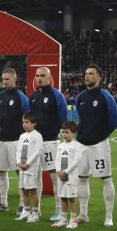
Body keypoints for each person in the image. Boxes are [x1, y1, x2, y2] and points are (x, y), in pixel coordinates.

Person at [74, 64, 117, 226]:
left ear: (99, 77)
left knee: (106, 179)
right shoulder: (80, 98)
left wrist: (101, 136)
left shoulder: (106, 97)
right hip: (82, 144)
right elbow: (82, 119)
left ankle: (109, 216)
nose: (87, 76)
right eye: (86, 74)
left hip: (99, 144)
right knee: (81, 179)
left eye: (91, 74)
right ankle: (83, 214)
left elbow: (114, 121)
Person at [28, 67, 69, 221]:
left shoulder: (56, 95)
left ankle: (59, 210)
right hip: (35, 142)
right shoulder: (32, 97)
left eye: (43, 76)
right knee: (35, 176)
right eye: (37, 76)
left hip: (51, 142)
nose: (39, 78)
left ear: (49, 77)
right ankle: (36, 210)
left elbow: (63, 119)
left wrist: (62, 136)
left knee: (54, 176)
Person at [0, 68, 30, 213]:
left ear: (15, 79)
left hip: (16, 140)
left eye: (8, 79)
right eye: (3, 79)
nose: (5, 82)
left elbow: (27, 118)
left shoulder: (21, 97)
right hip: (1, 140)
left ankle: (23, 203)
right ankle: (3, 202)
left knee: (20, 171)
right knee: (1, 172)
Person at [53, 121, 83, 229]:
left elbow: (76, 161)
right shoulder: (60, 145)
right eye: (63, 132)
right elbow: (56, 159)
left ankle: (73, 220)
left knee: (72, 198)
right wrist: (58, 170)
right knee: (63, 197)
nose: (64, 134)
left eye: (67, 132)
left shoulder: (76, 145)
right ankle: (63, 219)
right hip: (61, 176)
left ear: (73, 133)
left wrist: (66, 171)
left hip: (71, 176)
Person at [15, 113, 44, 223]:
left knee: (32, 190)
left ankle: (36, 214)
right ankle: (26, 212)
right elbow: (18, 150)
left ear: (34, 123)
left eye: (27, 122)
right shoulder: (22, 136)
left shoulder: (37, 135)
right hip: (22, 167)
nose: (24, 125)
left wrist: (28, 163)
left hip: (31, 167)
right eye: (23, 122)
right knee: (24, 190)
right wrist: (18, 162)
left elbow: (38, 151)